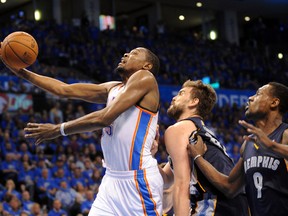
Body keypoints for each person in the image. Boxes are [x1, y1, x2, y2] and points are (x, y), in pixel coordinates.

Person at [1, 47, 163, 215]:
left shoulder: (146, 78)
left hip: (138, 181)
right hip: (111, 180)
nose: (126, 54)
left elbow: (104, 118)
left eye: (135, 53)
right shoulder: (113, 88)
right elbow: (64, 90)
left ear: (147, 66)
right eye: (128, 52)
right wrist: (22, 73)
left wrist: (59, 129)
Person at [188, 82, 288, 216]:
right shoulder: (248, 144)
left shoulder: (284, 134)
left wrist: (272, 146)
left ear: (274, 102)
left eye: (258, 94)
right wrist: (198, 157)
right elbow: (229, 187)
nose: (250, 98)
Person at [159, 80, 249, 215]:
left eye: (181, 93)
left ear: (193, 102)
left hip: (217, 203)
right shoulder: (199, 132)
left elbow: (182, 186)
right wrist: (147, 153)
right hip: (235, 204)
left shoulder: (179, 129)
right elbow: (166, 180)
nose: (174, 97)